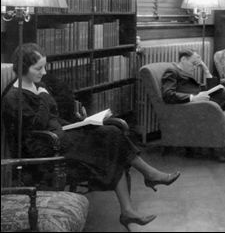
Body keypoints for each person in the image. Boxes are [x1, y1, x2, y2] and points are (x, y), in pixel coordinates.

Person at [1, 43, 180, 231]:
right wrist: (44, 97)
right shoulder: (13, 97)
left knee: (111, 135)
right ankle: (145, 181)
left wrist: (81, 122)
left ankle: (131, 205)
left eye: (44, 66)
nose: (44, 72)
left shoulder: (37, 85)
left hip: (61, 136)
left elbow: (53, 116)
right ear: (22, 68)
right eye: (38, 68)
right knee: (112, 139)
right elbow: (36, 126)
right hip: (45, 147)